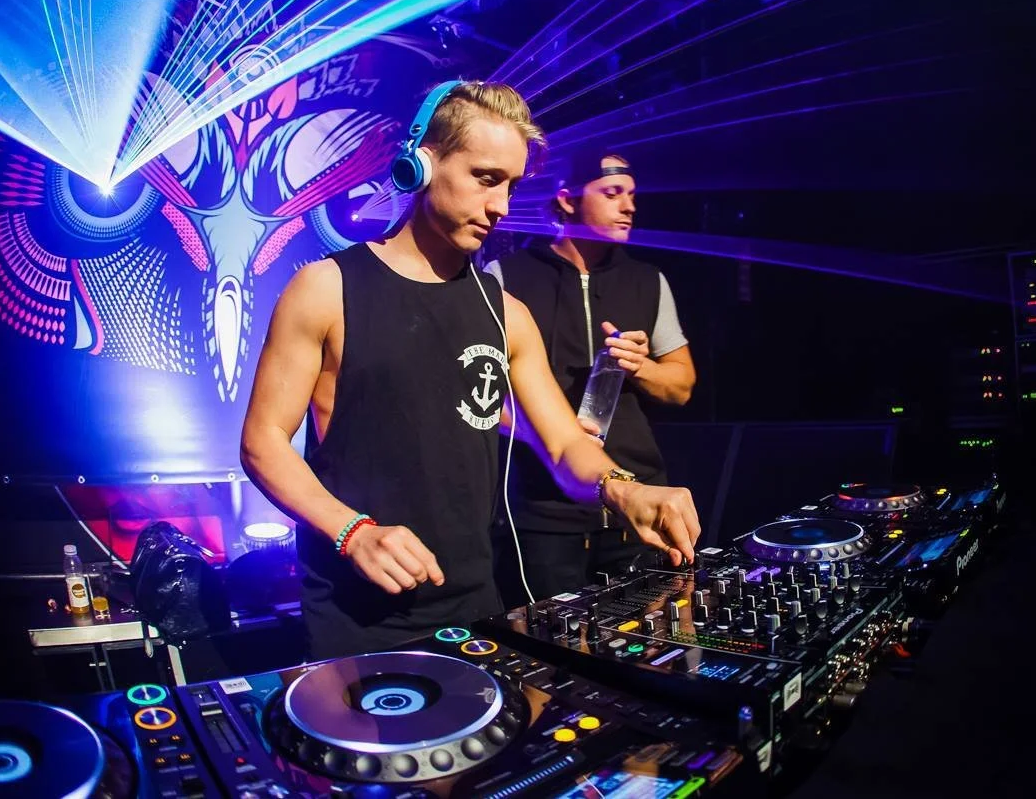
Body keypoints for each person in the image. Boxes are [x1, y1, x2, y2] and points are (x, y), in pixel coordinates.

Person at [239, 82, 700, 659]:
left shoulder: (507, 313)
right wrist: (352, 532)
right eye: (485, 178)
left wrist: (625, 490)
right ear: (420, 164)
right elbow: (263, 442)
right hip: (357, 615)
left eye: (511, 185)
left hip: (476, 605)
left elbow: (564, 444)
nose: (501, 205)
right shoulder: (326, 289)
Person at [484, 151, 697, 602]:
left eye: (632, 195)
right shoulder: (507, 276)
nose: (629, 206)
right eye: (613, 193)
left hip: (638, 502)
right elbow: (479, 395)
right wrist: (545, 433)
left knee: (648, 635)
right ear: (567, 200)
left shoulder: (647, 280)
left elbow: (681, 387)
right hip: (543, 512)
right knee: (550, 643)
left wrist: (641, 366)